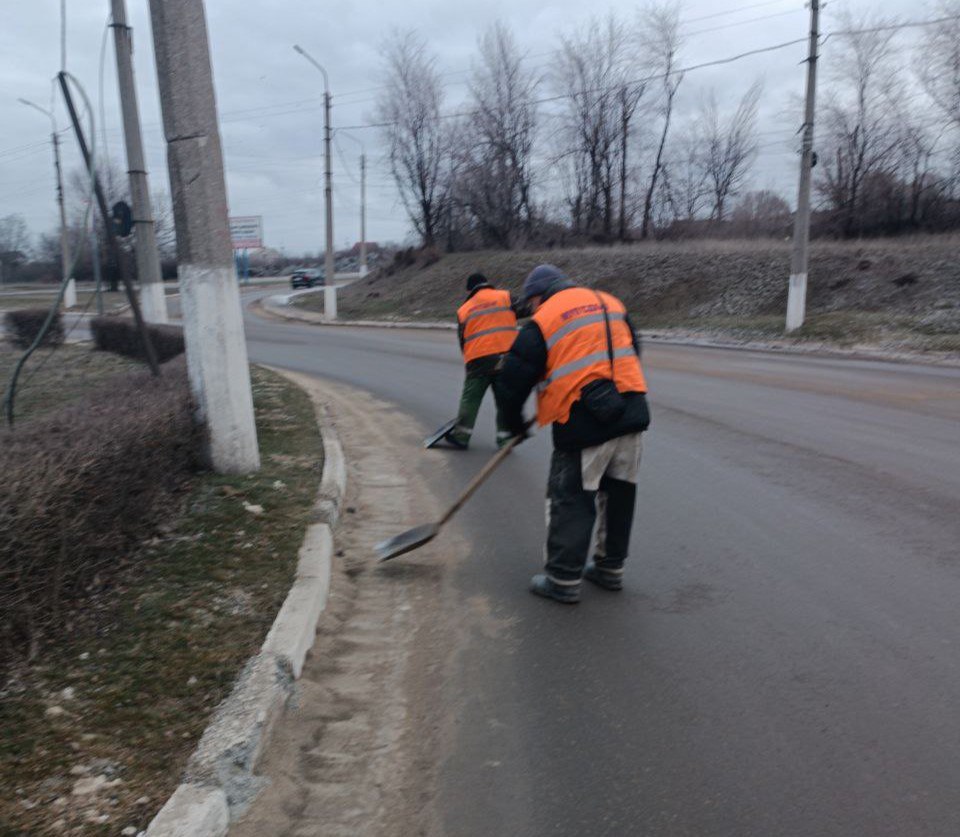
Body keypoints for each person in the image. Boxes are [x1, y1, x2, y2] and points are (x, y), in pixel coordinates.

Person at [495, 264, 650, 603]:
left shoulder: (546, 317)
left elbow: (510, 383)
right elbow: (633, 351)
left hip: (583, 421)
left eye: (529, 303)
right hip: (633, 413)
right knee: (619, 495)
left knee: (572, 497)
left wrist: (513, 425)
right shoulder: (611, 303)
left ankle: (563, 578)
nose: (530, 309)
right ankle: (610, 568)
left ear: (537, 296)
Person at [445, 273, 519, 450]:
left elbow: (463, 340)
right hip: (506, 357)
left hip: (479, 359)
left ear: (469, 290)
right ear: (487, 284)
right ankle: (505, 440)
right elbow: (529, 309)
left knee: (471, 399)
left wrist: (470, 362)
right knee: (504, 399)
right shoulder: (506, 297)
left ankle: (461, 436)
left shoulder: (464, 309)